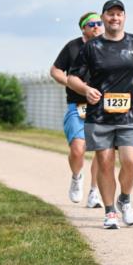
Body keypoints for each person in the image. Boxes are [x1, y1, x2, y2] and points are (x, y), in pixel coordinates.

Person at [67, 0, 133, 229]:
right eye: (110, 14)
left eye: (119, 14)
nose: (114, 18)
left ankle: (124, 199)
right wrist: (86, 89)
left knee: (131, 163)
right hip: (99, 116)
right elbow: (72, 77)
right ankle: (110, 212)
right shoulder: (92, 47)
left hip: (131, 114)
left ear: (125, 17)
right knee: (105, 163)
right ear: (103, 17)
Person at [50, 12, 103, 207]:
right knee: (78, 149)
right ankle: (76, 177)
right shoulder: (73, 47)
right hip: (78, 106)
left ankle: (94, 192)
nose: (97, 27)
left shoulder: (108, 47)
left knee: (102, 151)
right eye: (92, 24)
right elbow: (55, 70)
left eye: (99, 23)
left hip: (101, 107)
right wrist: (70, 83)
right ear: (83, 28)